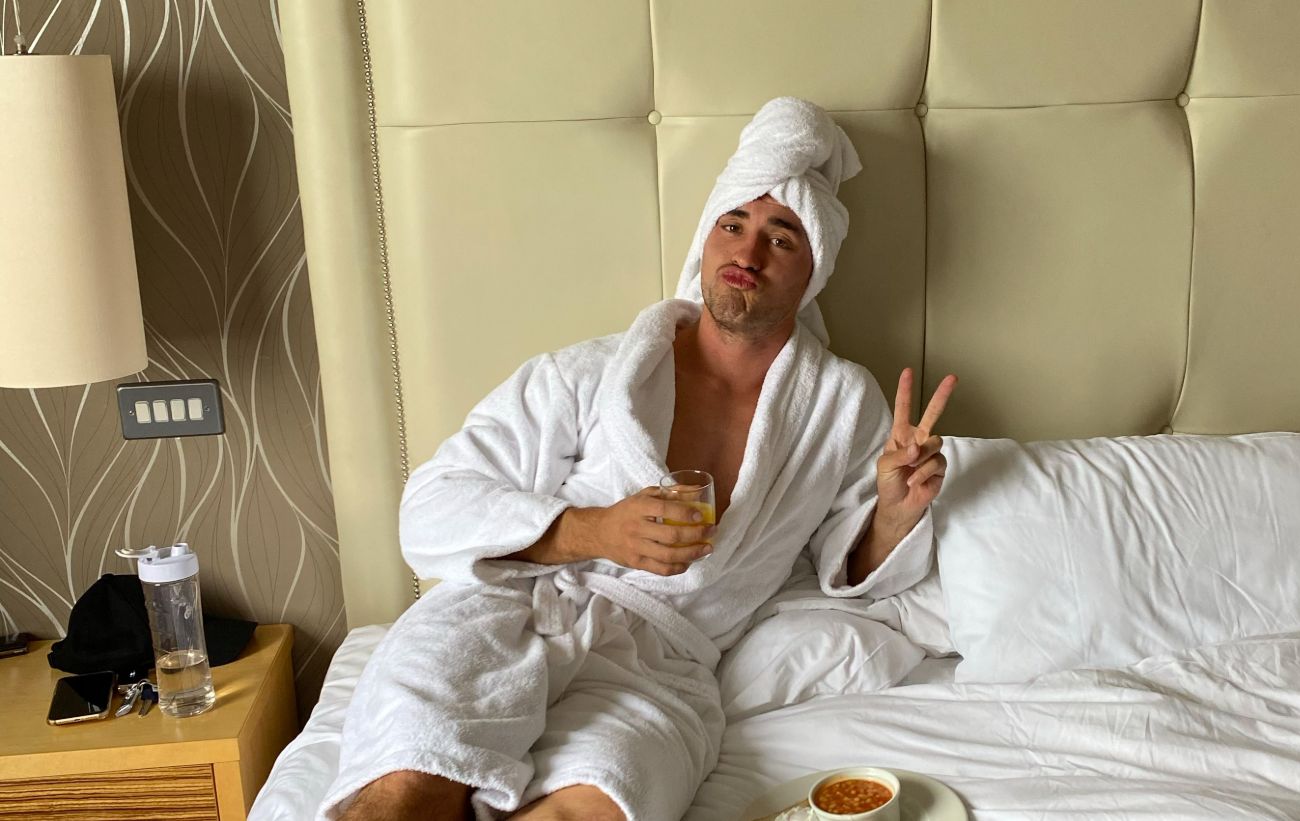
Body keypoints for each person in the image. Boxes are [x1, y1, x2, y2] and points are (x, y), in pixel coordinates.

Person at [325, 97, 957, 821]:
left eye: (782, 238)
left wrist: (893, 515)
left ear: (813, 270)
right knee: (408, 783)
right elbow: (431, 506)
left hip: (662, 665)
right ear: (705, 239)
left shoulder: (842, 406)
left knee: (597, 807)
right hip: (506, 611)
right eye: (733, 224)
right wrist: (593, 530)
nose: (747, 255)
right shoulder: (588, 374)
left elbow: (846, 564)